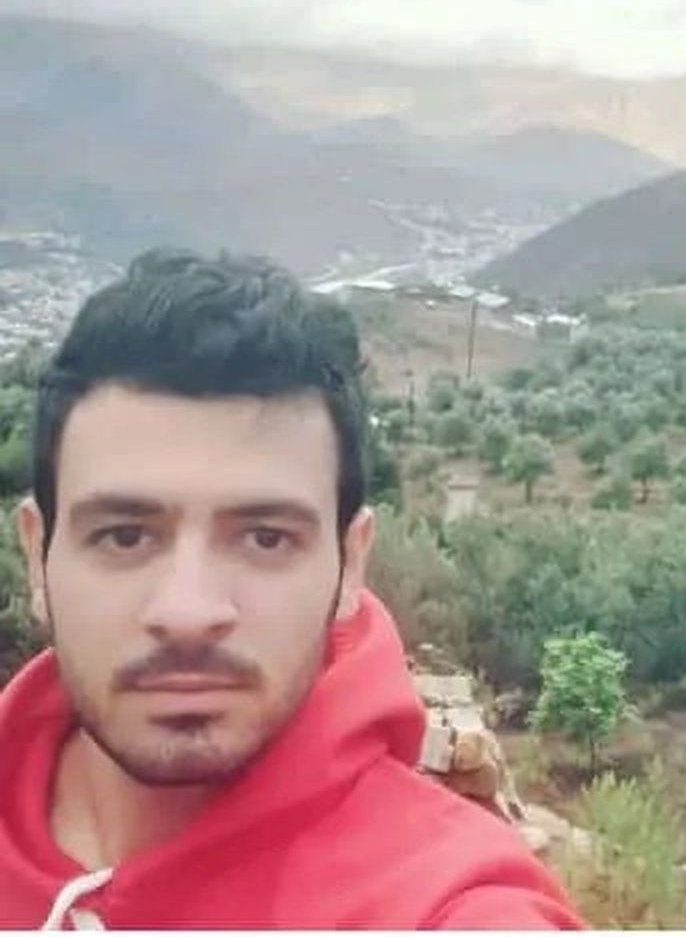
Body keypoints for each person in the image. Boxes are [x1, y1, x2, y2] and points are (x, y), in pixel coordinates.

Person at [0, 248, 583, 929]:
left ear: (350, 566)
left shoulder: (446, 903)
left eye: (265, 538)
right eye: (125, 536)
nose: (188, 612)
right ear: (37, 558)